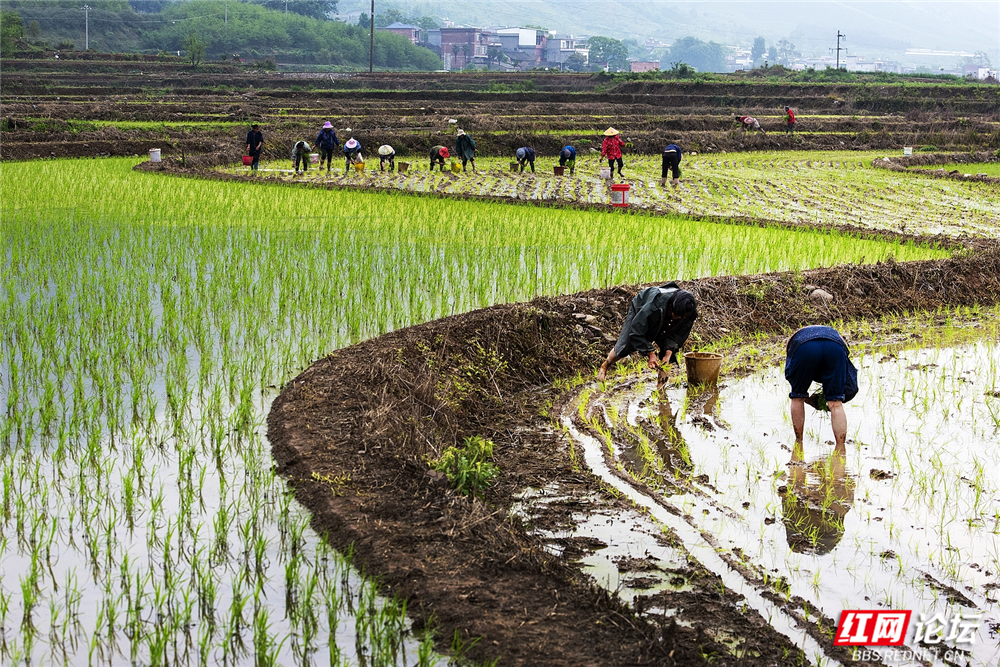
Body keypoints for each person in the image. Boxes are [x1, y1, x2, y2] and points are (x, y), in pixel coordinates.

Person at [597, 282, 698, 386]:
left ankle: (660, 388)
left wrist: (668, 354)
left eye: (680, 317)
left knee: (667, 359)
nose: (677, 318)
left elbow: (677, 337)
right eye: (676, 315)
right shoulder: (653, 306)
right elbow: (636, 331)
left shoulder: (688, 312)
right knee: (626, 346)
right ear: (672, 306)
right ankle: (605, 365)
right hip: (641, 309)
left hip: (665, 319)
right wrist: (650, 353)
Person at [784, 325, 858, 449]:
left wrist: (800, 388)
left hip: (804, 348)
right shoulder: (835, 335)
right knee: (836, 403)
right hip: (835, 348)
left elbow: (790, 372)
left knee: (797, 397)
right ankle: (841, 448)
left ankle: (799, 441)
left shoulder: (796, 339)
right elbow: (851, 381)